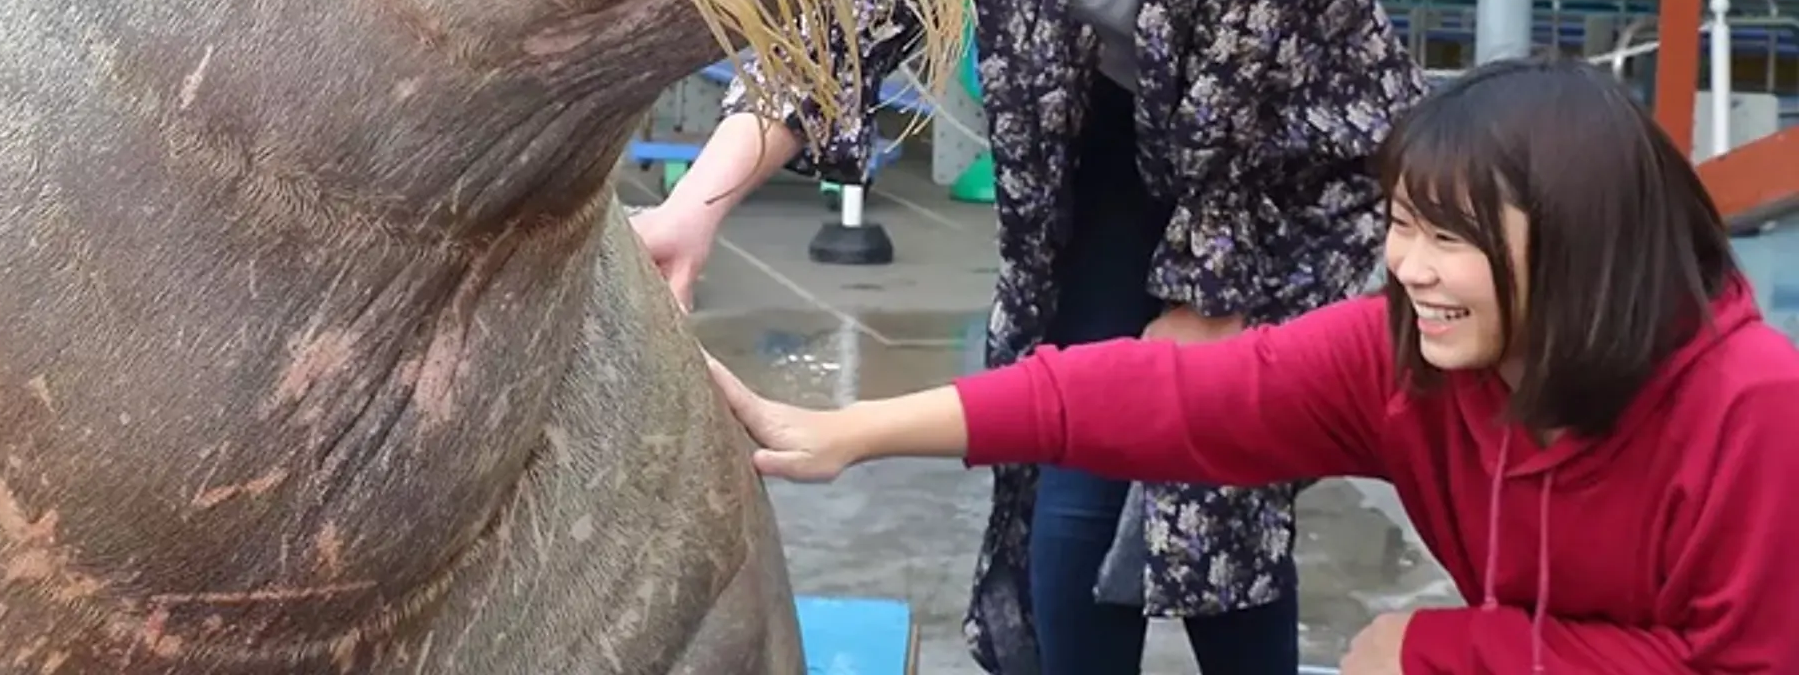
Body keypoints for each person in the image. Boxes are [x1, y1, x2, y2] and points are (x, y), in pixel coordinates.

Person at [631, 0, 1426, 675]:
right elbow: (851, 27)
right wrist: (698, 204)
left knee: (1219, 482)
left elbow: (1236, 151)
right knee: (1070, 496)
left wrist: (1196, 322)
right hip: (1107, 154)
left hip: (1284, 184)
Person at [702, 55, 1799, 675]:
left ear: (1582, 235)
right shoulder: (1410, 357)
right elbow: (1155, 395)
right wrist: (854, 430)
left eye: (1451, 235)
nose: (1408, 265)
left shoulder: (1753, 409)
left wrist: (1439, 648)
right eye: (1401, 222)